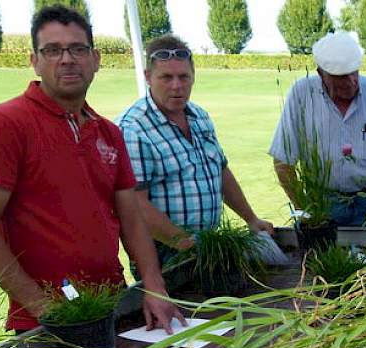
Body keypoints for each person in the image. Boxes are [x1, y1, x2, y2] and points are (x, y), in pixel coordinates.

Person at [0, 6, 184, 334]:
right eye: (52, 50)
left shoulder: (108, 132)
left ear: (95, 59)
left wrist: (153, 286)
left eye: (77, 49)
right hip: (48, 325)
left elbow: (132, 219)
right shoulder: (6, 124)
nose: (66, 59)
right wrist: (44, 308)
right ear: (34, 61)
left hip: (116, 308)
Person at [116, 35, 273, 268]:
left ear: (193, 77)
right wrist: (186, 244)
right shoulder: (133, 129)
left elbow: (220, 171)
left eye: (183, 77)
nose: (177, 86)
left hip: (205, 246)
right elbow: (134, 205)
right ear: (148, 77)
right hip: (164, 254)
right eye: (166, 77)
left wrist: (250, 218)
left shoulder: (199, 116)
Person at [270, 32, 366, 227]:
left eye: (354, 72)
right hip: (322, 203)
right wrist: (305, 212)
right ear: (320, 73)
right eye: (340, 77)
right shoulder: (301, 94)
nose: (350, 81)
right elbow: (282, 160)